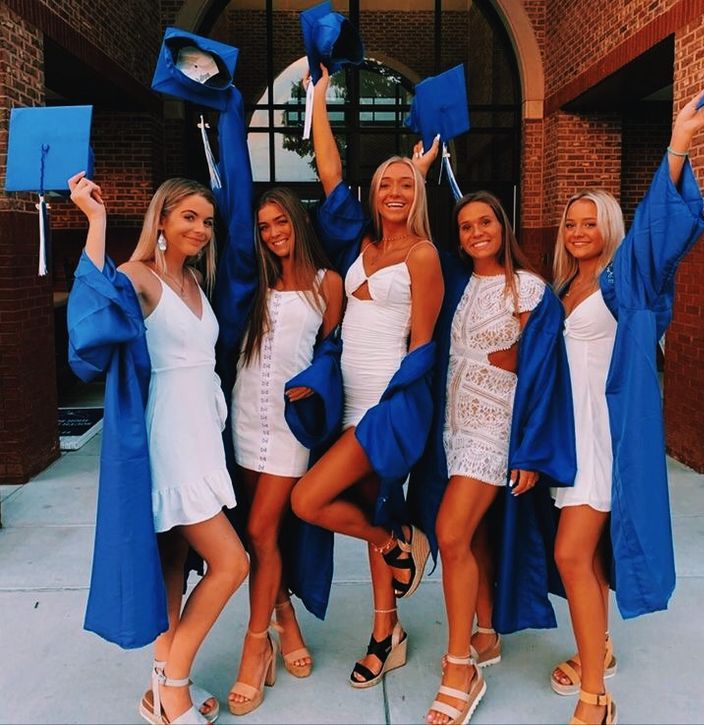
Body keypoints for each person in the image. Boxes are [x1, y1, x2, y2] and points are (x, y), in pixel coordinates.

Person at [549, 91, 704, 725]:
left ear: (611, 229)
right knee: (585, 556)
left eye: (589, 221)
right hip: (570, 438)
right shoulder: (563, 285)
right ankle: (599, 649)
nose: (577, 231)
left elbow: (658, 224)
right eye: (570, 222)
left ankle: (597, 693)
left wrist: (679, 139)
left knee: (571, 554)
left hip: (607, 435)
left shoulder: (629, 277)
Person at [67, 173, 250, 725]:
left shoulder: (195, 279)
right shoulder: (137, 277)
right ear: (163, 220)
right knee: (231, 563)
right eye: (189, 217)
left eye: (208, 221)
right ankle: (174, 687)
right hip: (169, 438)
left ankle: (158, 687)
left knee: (174, 562)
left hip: (202, 433)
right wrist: (96, 221)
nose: (200, 228)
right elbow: (92, 320)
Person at [290, 66, 444, 688]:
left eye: (406, 183)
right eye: (386, 183)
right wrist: (320, 100)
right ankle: (389, 633)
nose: (395, 191)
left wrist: (396, 414)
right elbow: (330, 176)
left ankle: (401, 536)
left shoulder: (424, 254)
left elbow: (425, 343)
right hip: (347, 406)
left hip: (385, 410)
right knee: (364, 511)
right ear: (374, 193)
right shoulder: (359, 248)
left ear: (418, 193)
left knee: (308, 500)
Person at [411, 192, 576, 725]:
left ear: (503, 227)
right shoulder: (461, 286)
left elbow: (542, 377)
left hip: (495, 429)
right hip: (455, 426)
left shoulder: (529, 290)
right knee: (474, 534)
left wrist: (529, 449)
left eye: (485, 222)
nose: (475, 232)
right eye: (464, 226)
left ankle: (460, 668)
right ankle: (485, 633)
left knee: (451, 533)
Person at [226, 187, 343, 715]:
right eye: (264, 226)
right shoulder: (256, 282)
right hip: (245, 414)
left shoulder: (328, 284)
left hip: (290, 423)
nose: (274, 233)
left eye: (281, 222)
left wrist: (316, 383)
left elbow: (332, 351)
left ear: (297, 220)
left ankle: (256, 647)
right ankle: (283, 616)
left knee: (259, 531)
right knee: (258, 531)